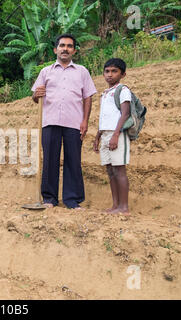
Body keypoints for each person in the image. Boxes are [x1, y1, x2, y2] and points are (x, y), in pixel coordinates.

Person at [32, 34, 97, 209]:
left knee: (73, 160)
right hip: (50, 121)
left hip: (74, 122)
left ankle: (72, 200)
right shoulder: (46, 71)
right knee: (50, 160)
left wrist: (85, 121)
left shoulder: (82, 71)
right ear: (56, 49)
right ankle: (49, 199)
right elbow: (35, 97)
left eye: (69, 46)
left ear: (74, 50)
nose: (65, 49)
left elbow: (88, 97)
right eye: (62, 45)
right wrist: (35, 95)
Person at [93, 58, 131, 214]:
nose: (110, 74)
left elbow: (125, 114)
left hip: (117, 134)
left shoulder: (123, 90)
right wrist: (97, 137)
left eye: (114, 71)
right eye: (107, 71)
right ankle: (115, 205)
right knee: (110, 170)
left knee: (119, 170)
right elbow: (104, 117)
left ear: (123, 74)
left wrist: (116, 135)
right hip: (106, 134)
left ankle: (124, 207)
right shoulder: (105, 93)